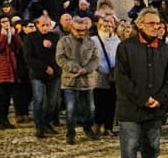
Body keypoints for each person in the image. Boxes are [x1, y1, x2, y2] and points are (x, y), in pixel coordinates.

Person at [113, 9, 168, 158]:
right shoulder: (126, 47)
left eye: (158, 23)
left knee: (152, 148)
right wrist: (143, 98)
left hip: (155, 109)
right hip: (131, 108)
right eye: (151, 23)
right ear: (140, 25)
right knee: (130, 148)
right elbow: (121, 78)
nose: (156, 27)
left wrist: (160, 99)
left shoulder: (164, 48)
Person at [57, 16, 101, 144]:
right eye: (78, 30)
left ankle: (88, 129)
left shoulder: (90, 42)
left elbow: (96, 59)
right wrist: (74, 68)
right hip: (70, 81)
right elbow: (60, 58)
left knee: (90, 109)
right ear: (72, 29)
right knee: (71, 109)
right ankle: (70, 133)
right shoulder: (64, 41)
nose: (81, 33)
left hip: (87, 81)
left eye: (83, 30)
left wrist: (86, 69)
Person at [23, 14, 61, 138]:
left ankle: (47, 123)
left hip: (54, 74)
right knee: (39, 100)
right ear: (37, 25)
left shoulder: (55, 37)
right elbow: (28, 57)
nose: (45, 27)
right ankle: (39, 127)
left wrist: (52, 46)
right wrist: (44, 68)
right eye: (43, 25)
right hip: (38, 74)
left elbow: (61, 53)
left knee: (52, 102)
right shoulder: (30, 37)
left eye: (48, 25)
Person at [0, 15, 23, 129]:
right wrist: (3, 36)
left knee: (7, 97)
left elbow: (19, 46)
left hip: (11, 67)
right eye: (3, 21)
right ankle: (0, 120)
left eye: (7, 21)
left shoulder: (12, 33)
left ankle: (5, 120)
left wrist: (15, 35)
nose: (6, 23)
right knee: (0, 97)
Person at [92, 15, 121, 136]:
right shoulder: (93, 40)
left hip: (113, 75)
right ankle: (97, 124)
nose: (108, 27)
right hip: (99, 75)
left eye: (110, 25)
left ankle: (108, 127)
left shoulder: (117, 40)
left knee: (111, 102)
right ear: (100, 26)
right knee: (100, 102)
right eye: (105, 25)